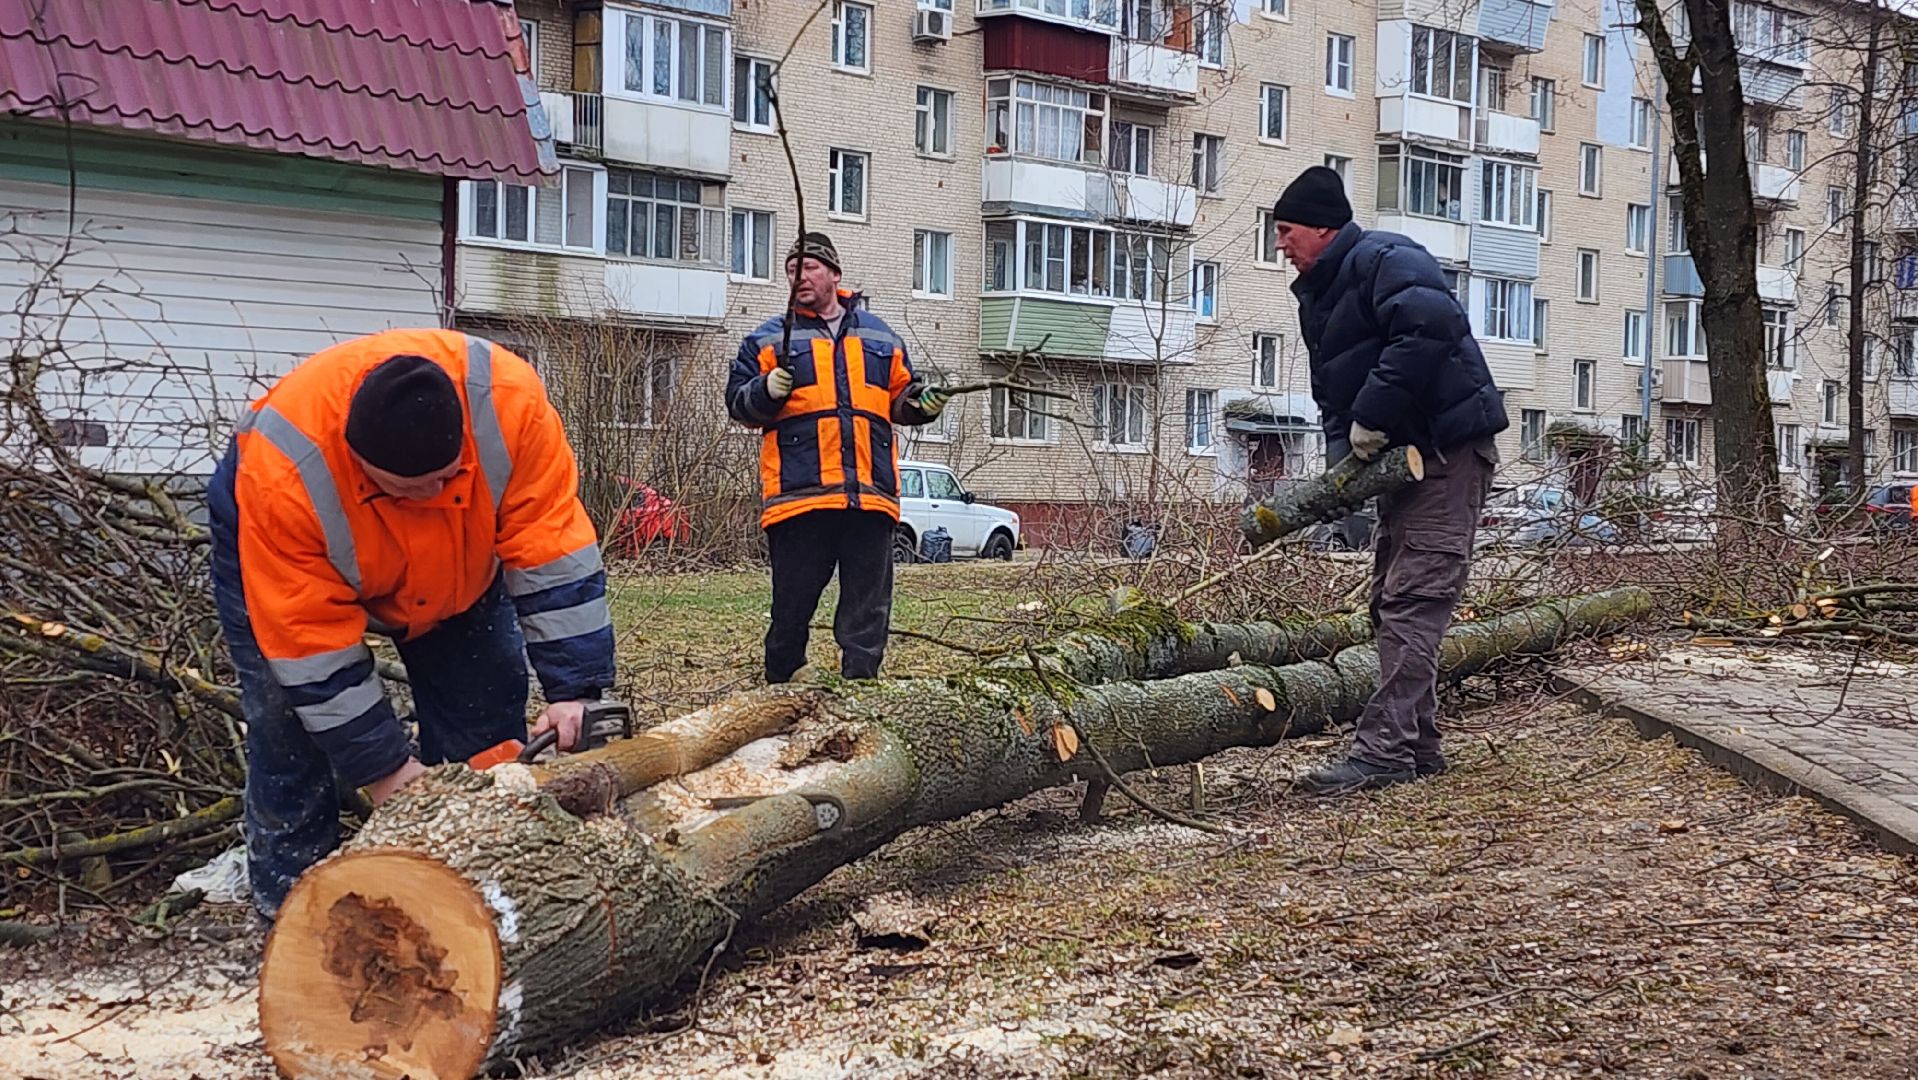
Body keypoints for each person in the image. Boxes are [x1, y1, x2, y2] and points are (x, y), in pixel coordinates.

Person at [207, 329, 615, 918]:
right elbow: (309, 644)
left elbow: (552, 550)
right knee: (286, 718)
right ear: (361, 465)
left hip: (463, 569)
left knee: (482, 706)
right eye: (414, 488)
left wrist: (575, 687)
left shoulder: (511, 407)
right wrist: (386, 771)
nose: (436, 493)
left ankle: (487, 888)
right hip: (284, 549)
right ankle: (294, 901)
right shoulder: (283, 481)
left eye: (450, 477)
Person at [1270, 166, 1510, 794]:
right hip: (1403, 464)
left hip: (1447, 453)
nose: (1280, 244)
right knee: (1388, 601)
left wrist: (1373, 415)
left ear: (1324, 227)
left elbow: (1429, 328)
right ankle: (1418, 745)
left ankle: (1383, 753)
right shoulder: (1319, 294)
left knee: (1413, 600)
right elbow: (1333, 392)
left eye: (1287, 230)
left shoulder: (1387, 258)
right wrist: (1339, 473)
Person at [725, 232, 948, 683]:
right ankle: (782, 684)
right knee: (791, 608)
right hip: (799, 497)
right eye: (792, 270)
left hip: (870, 495)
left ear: (834, 274)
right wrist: (765, 390)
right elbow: (738, 405)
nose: (799, 277)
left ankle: (860, 688)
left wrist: (923, 405)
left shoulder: (881, 336)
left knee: (868, 611)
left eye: (808, 268)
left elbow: (900, 400)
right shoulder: (768, 339)